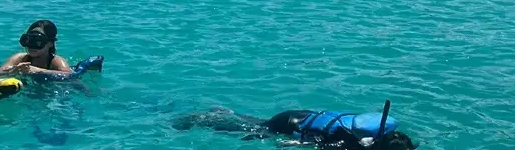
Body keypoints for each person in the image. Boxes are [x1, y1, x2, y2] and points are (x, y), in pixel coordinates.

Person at [173, 104, 418, 149]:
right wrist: (288, 143)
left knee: (255, 122)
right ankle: (209, 120)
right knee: (248, 131)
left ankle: (224, 112)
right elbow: (318, 144)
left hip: (305, 114)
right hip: (289, 123)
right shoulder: (348, 144)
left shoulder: (394, 137)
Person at [0, 20, 73, 78]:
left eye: (38, 41)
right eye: (29, 40)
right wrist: (14, 70)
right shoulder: (20, 58)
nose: (32, 46)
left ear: (50, 43)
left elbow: (69, 75)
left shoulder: (56, 61)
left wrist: (36, 70)